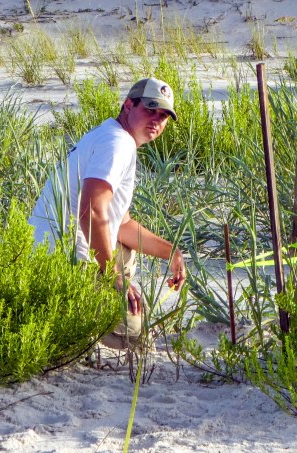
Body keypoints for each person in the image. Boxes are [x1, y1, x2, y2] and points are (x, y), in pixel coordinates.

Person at [30, 77, 187, 349]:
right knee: (133, 332)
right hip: (60, 264)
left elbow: (122, 224)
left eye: (163, 116)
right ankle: (70, 322)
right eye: (150, 109)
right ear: (128, 105)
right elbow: (91, 211)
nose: (156, 120)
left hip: (45, 257)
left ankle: (79, 312)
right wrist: (115, 278)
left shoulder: (110, 135)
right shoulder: (118, 144)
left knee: (125, 249)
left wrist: (172, 253)